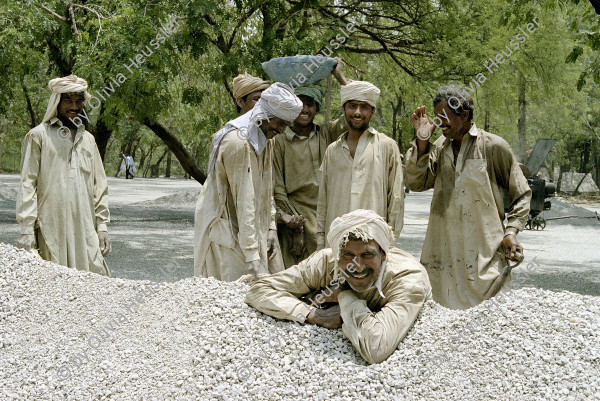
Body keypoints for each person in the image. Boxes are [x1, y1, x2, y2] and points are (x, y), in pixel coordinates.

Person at [245, 209, 432, 364]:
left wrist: (344, 297)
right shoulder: (325, 262)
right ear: (337, 253)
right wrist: (311, 314)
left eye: (367, 254)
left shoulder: (408, 278)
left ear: (384, 254)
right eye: (348, 255)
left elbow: (376, 348)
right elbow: (259, 290)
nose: (357, 266)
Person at [405, 85, 531, 309]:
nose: (438, 123)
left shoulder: (493, 146)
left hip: (484, 256)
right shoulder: (439, 149)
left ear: (463, 115)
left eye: (444, 117)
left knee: (488, 318)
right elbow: (415, 183)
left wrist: (511, 232)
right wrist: (422, 141)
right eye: (436, 117)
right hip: (442, 253)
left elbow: (521, 194)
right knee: (441, 314)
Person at [194, 83, 303, 281]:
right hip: (227, 227)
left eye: (286, 126)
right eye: (280, 123)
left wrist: (270, 227)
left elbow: (266, 189)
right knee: (228, 297)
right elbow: (245, 201)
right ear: (265, 116)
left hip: (250, 230)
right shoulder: (238, 142)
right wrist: (252, 255)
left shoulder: (266, 139)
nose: (281, 130)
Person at [15, 75, 111, 276]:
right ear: (56, 103)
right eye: (68, 101)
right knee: (53, 284)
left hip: (85, 228)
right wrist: (26, 229)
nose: (74, 106)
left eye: (78, 101)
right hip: (52, 226)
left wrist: (102, 226)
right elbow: (27, 183)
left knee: (94, 282)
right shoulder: (38, 136)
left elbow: (99, 187)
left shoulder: (89, 140)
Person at [272, 61, 349, 268]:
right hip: (294, 213)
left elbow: (354, 111)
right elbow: (277, 184)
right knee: (296, 272)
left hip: (327, 209)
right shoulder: (279, 140)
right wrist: (286, 216)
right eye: (299, 103)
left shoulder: (326, 133)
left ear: (317, 108)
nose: (305, 109)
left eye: (310, 103)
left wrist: (340, 76)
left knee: (328, 265)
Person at [316, 80, 404, 249]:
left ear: (373, 111)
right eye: (352, 106)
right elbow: (323, 200)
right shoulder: (332, 151)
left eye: (364, 107)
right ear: (343, 109)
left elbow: (396, 199)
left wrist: (389, 242)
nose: (357, 112)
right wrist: (321, 241)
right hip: (335, 243)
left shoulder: (387, 146)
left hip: (373, 242)